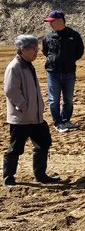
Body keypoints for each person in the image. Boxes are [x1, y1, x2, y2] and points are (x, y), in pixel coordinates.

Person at [3, 35, 61, 186]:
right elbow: (11, 90)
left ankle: (40, 175)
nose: (36, 52)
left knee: (44, 143)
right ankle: (8, 177)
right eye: (33, 49)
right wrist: (23, 106)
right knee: (16, 148)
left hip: (35, 117)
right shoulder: (14, 67)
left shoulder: (28, 65)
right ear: (23, 50)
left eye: (36, 48)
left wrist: (37, 109)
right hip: (21, 119)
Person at [41, 10, 84, 132]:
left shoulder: (74, 35)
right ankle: (58, 123)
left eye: (52, 21)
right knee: (54, 100)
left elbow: (79, 52)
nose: (50, 24)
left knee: (68, 100)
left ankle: (66, 121)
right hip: (52, 72)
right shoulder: (48, 37)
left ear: (60, 21)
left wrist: (69, 61)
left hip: (69, 72)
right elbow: (45, 52)